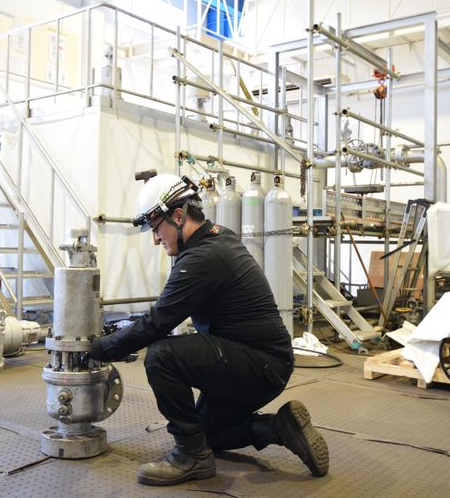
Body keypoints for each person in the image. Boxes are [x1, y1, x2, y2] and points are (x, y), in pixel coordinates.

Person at [88, 173, 329, 486]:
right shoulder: (217, 237)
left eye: (156, 228)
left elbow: (158, 322)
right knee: (207, 433)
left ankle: (191, 457)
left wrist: (99, 349)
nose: (156, 239)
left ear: (178, 216)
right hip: (263, 363)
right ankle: (279, 429)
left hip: (260, 366)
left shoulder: (203, 257)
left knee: (161, 356)